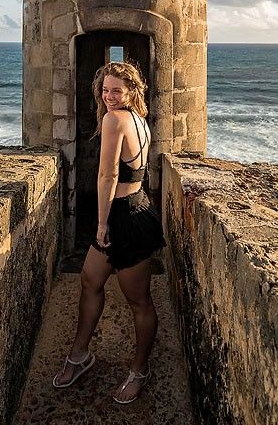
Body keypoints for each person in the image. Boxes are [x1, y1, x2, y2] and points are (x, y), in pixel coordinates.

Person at [52, 61, 166, 404]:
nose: (109, 96)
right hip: (134, 210)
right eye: (105, 90)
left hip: (126, 219)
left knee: (139, 302)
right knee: (90, 281)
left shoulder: (114, 120)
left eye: (117, 90)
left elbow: (107, 176)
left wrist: (101, 225)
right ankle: (80, 354)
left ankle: (139, 370)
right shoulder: (139, 121)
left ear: (131, 91)